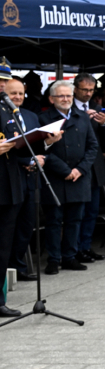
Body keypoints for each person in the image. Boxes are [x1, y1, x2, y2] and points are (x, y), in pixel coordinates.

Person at [40, 81, 98, 275]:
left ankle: (70, 257)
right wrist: (65, 170)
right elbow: (42, 149)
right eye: (61, 96)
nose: (66, 99)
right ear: (51, 99)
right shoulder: (44, 118)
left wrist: (79, 170)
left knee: (75, 220)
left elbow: (92, 147)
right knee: (54, 221)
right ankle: (54, 259)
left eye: (69, 96)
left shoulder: (82, 117)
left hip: (79, 177)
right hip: (56, 177)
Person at [5, 79, 43, 287]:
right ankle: (8, 269)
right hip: (12, 178)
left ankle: (19, 266)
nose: (17, 97)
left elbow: (36, 143)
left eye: (20, 93)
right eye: (13, 94)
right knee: (9, 226)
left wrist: (46, 146)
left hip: (31, 178)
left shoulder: (30, 115)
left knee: (26, 225)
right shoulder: (4, 116)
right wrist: (26, 161)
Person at [71, 73, 105, 263]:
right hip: (76, 167)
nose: (88, 93)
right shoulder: (68, 108)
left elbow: (104, 144)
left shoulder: (96, 108)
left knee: (92, 211)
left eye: (91, 90)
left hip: (95, 167)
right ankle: (73, 249)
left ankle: (86, 247)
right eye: (84, 90)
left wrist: (103, 125)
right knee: (77, 213)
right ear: (75, 89)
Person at [0, 60, 28, 316]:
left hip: (10, 186)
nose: (1, 86)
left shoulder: (7, 108)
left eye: (3, 82)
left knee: (3, 247)